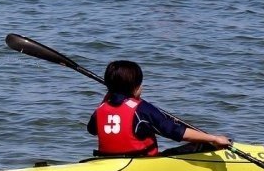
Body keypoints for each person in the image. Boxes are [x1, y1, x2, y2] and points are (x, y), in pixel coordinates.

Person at [87, 60, 231, 157]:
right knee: (201, 146)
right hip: (142, 163)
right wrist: (213, 138)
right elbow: (176, 132)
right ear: (136, 87)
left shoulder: (101, 108)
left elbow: (92, 129)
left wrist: (109, 95)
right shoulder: (142, 109)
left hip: (107, 160)